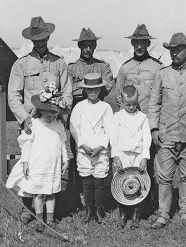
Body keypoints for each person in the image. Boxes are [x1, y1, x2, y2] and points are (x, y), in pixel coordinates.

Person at [7, 16, 72, 224]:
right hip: (31, 126)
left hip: (53, 124)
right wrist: (24, 119)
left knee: (51, 164)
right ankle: (28, 210)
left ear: (49, 37)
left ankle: (52, 209)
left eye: (44, 38)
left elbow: (67, 94)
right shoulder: (21, 64)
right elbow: (13, 96)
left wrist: (59, 116)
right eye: (36, 39)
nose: (40, 43)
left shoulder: (59, 63)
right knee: (30, 168)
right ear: (32, 40)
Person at [148, 33, 186, 229]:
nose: (174, 53)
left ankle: (184, 212)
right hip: (166, 134)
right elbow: (154, 103)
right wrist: (154, 129)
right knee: (164, 176)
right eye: (171, 50)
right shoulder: (162, 74)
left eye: (178, 49)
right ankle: (163, 214)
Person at [6, 83, 70, 232]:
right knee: (39, 193)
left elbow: (62, 143)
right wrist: (25, 162)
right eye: (47, 112)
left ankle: (50, 220)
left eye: (54, 113)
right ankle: (40, 220)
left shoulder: (59, 125)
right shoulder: (34, 124)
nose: (50, 116)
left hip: (52, 165)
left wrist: (65, 159)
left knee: (51, 192)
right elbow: (26, 145)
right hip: (37, 165)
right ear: (40, 110)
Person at [115, 24, 163, 216]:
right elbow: (119, 95)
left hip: (149, 123)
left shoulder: (157, 67)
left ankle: (148, 203)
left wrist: (155, 125)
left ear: (148, 43)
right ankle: (127, 200)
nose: (140, 46)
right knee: (129, 165)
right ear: (132, 43)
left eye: (143, 42)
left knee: (149, 164)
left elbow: (159, 96)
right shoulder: (125, 68)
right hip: (130, 125)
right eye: (136, 42)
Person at [69, 73, 114, 224]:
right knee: (86, 178)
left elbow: (109, 129)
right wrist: (83, 145)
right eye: (89, 90)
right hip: (84, 148)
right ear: (85, 90)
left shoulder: (106, 107)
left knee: (99, 178)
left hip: (100, 149)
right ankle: (89, 210)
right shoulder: (79, 107)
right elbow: (74, 128)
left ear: (100, 89)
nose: (92, 92)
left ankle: (99, 209)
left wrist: (100, 146)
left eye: (95, 89)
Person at [111, 85, 152, 229]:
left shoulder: (142, 118)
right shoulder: (117, 117)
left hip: (138, 154)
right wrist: (115, 156)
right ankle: (122, 214)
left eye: (134, 104)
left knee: (138, 181)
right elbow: (113, 138)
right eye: (128, 104)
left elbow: (147, 139)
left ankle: (136, 214)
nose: (131, 107)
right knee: (121, 180)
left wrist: (144, 157)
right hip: (122, 153)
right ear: (122, 101)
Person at [68, 28, 113, 106]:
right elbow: (68, 90)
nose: (88, 49)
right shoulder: (71, 68)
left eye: (91, 46)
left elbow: (106, 89)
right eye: (85, 46)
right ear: (79, 45)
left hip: (97, 108)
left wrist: (80, 87)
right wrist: (95, 88)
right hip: (77, 109)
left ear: (95, 46)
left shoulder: (103, 67)